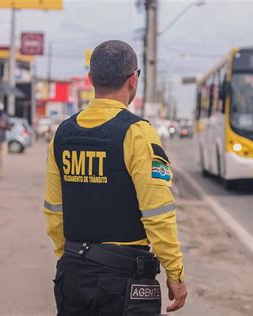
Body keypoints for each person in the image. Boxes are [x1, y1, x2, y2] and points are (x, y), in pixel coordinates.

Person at [43, 40, 186, 315]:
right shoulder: (138, 133)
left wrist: (68, 257)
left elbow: (54, 210)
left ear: (91, 79)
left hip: (72, 272)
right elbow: (158, 213)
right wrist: (175, 272)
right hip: (122, 280)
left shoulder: (62, 134)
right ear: (133, 79)